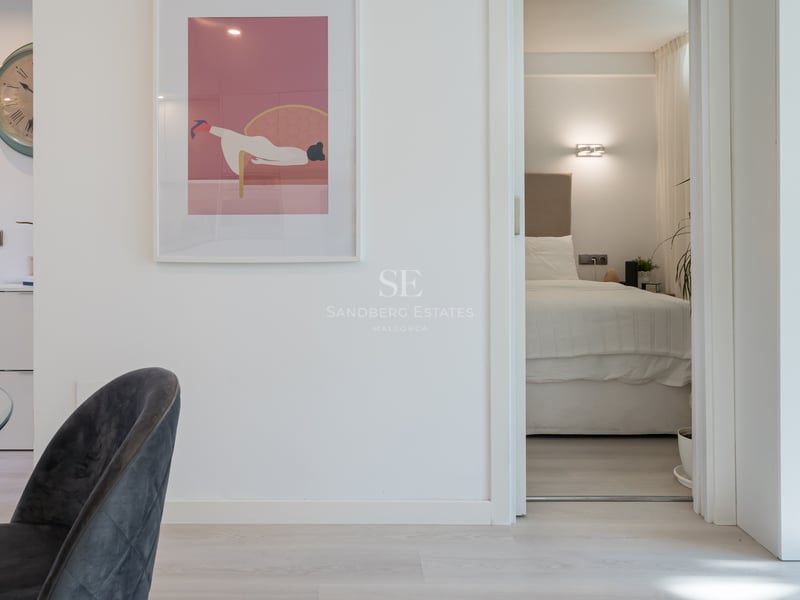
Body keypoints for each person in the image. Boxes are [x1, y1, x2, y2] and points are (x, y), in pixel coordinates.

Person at [190, 119, 324, 175]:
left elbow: (281, 158)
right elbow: (281, 164)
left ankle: (207, 127)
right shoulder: (303, 159)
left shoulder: (300, 152)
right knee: (236, 165)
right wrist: (263, 162)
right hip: (264, 150)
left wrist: (263, 160)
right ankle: (206, 127)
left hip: (265, 145)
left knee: (235, 140)